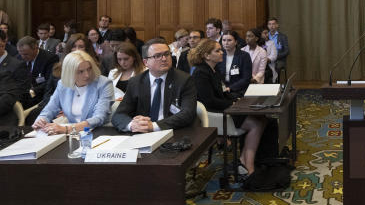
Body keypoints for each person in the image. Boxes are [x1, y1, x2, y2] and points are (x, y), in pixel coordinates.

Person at [189, 39, 267, 176]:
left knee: (261, 119)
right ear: (207, 55)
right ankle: (248, 165)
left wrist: (237, 100)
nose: (222, 53)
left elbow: (223, 93)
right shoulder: (201, 73)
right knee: (256, 124)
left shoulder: (214, 70)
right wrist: (233, 104)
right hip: (214, 114)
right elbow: (209, 101)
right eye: (217, 50)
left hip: (224, 109)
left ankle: (244, 159)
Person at [112, 40, 196, 132]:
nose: (164, 59)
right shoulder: (136, 82)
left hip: (173, 133)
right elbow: (119, 115)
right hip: (142, 135)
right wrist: (132, 125)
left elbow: (188, 114)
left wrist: (153, 126)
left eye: (167, 54)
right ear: (146, 62)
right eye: (157, 56)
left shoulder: (184, 80)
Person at [32, 50, 113, 134]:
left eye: (89, 69)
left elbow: (99, 117)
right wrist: (41, 120)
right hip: (73, 134)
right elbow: (50, 109)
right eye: (81, 71)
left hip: (99, 133)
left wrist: (68, 129)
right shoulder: (62, 85)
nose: (87, 75)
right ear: (69, 72)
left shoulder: (104, 83)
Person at [16, 35, 59, 108]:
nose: (23, 57)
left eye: (26, 54)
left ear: (36, 48)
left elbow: (50, 82)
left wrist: (33, 91)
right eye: (21, 54)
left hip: (40, 96)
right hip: (22, 94)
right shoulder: (18, 57)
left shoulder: (50, 58)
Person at [220, 31, 252, 97]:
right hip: (222, 90)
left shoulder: (244, 56)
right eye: (224, 40)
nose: (226, 43)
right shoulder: (220, 55)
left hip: (239, 90)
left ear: (236, 42)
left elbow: (246, 78)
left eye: (229, 40)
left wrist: (230, 88)